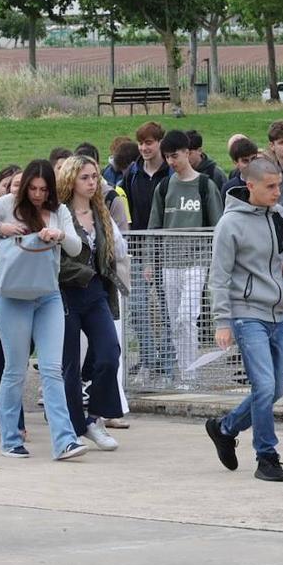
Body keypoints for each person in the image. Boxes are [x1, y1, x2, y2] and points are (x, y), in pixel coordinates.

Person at [0, 159, 86, 459]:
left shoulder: (60, 211)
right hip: (11, 296)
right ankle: (10, 439)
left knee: (52, 369)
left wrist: (59, 235)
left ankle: (65, 440)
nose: (38, 194)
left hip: (48, 296)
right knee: (15, 370)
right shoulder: (6, 204)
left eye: (44, 189)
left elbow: (77, 248)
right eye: (33, 188)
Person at [205, 157, 283, 482]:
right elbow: (219, 276)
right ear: (251, 186)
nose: (277, 192)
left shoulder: (278, 216)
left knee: (275, 389)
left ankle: (225, 428)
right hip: (247, 314)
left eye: (279, 186)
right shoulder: (230, 225)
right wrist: (223, 321)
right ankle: (266, 454)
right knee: (263, 386)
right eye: (271, 186)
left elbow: (276, 256)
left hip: (278, 311)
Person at [56, 155, 128, 452]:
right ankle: (76, 426)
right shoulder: (58, 212)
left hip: (96, 290)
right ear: (71, 179)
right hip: (66, 291)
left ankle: (95, 417)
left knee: (110, 352)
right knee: (70, 364)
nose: (92, 182)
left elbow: (119, 248)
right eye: (85, 177)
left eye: (95, 176)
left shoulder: (100, 211)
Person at [148, 130, 224, 386]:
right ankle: (185, 373)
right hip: (170, 263)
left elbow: (218, 226)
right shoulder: (164, 186)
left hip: (196, 261)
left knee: (186, 316)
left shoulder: (205, 185)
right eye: (167, 156)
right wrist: (150, 260)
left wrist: (217, 260)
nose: (172, 161)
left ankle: (190, 374)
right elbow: (154, 226)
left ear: (187, 152)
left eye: (176, 155)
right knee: (175, 321)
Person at [121, 121, 172, 381]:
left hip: (168, 254)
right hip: (139, 252)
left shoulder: (170, 173)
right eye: (141, 143)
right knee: (138, 310)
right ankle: (148, 361)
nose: (144, 148)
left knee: (168, 312)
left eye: (149, 142)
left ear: (160, 143)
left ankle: (167, 364)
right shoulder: (132, 173)